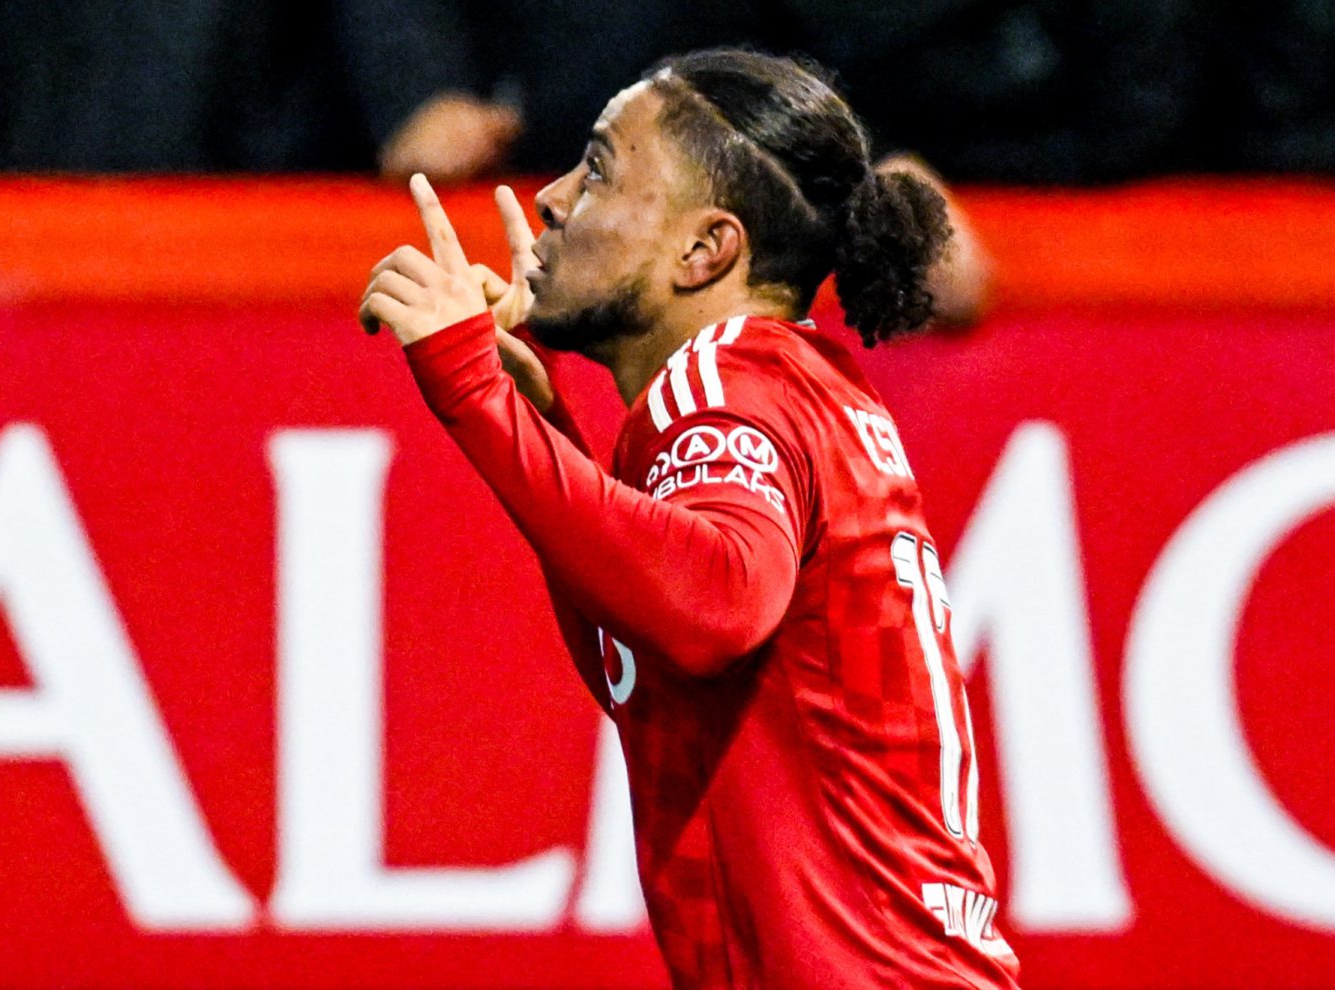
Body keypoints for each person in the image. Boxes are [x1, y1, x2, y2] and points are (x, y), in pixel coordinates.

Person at [359, 48, 1020, 990]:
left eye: (597, 169)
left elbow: (712, 608)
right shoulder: (783, 383)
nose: (548, 198)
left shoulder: (724, 389)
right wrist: (538, 422)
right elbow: (653, 660)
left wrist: (471, 387)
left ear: (704, 250)